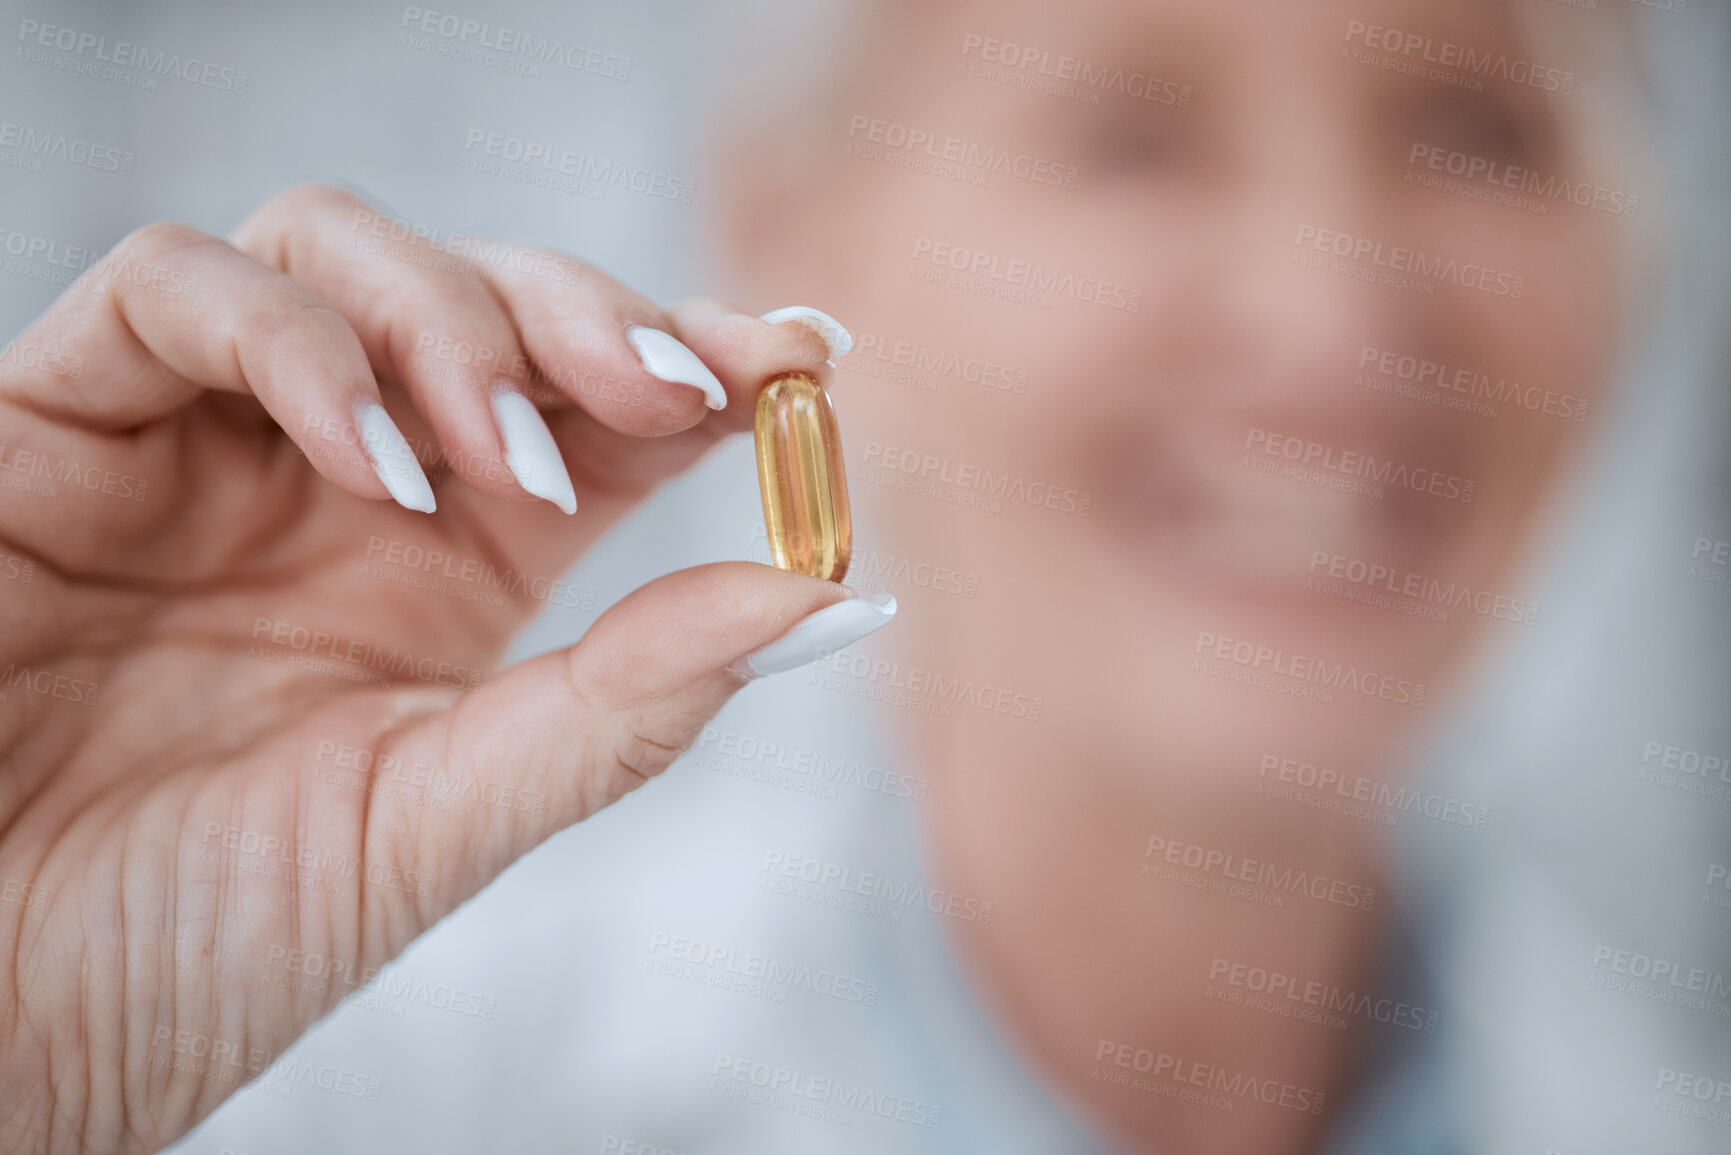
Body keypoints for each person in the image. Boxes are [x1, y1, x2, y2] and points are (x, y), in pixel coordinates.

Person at [1, 1, 1725, 1152]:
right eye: (1133, 132)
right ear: (788, 236)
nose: (1339, 318)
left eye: (1479, 127)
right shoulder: (363, 1097)